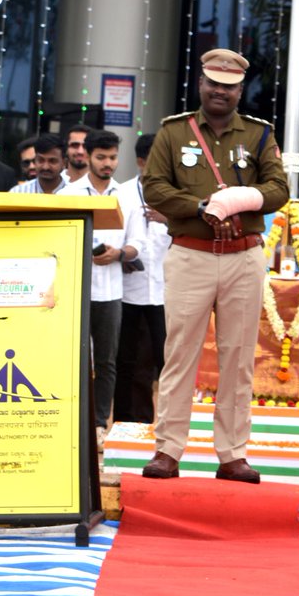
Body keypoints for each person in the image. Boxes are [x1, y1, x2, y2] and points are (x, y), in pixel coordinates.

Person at [141, 48, 289, 484]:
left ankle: (232, 454)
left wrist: (231, 205)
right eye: (213, 83)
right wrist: (203, 206)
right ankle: (168, 451)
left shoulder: (260, 135)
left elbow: (279, 189)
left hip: (244, 256)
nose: (219, 91)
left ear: (240, 90)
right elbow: (154, 188)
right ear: (201, 84)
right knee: (179, 356)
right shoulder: (173, 133)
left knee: (238, 359)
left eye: (229, 86)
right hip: (190, 254)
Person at [59, 130, 142, 443]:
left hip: (111, 291)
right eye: (101, 157)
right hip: (75, 290)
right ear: (87, 156)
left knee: (107, 360)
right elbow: (56, 241)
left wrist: (119, 254)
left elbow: (137, 244)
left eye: (113, 158)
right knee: (73, 358)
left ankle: (97, 424)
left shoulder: (127, 195)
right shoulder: (69, 195)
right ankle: (70, 419)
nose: (108, 164)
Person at [114, 133, 172, 423]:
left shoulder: (177, 194)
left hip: (166, 291)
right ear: (140, 162)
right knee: (130, 361)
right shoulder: (122, 194)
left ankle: (169, 425)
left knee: (168, 363)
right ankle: (128, 423)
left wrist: (169, 219)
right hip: (129, 289)